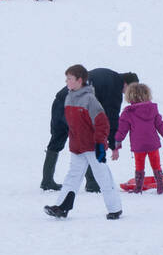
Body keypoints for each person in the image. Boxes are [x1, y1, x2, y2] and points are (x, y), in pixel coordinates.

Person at [45, 64, 123, 220]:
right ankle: (62, 207)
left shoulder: (90, 99)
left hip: (93, 147)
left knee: (103, 178)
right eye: (66, 78)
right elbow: (72, 125)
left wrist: (101, 144)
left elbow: (103, 124)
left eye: (70, 79)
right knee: (72, 177)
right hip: (77, 148)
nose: (66, 81)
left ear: (80, 80)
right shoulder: (68, 98)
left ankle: (115, 209)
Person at [114, 82, 163, 194]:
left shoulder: (128, 112)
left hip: (138, 145)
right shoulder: (152, 109)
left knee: (139, 165)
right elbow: (160, 124)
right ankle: (160, 187)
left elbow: (122, 129)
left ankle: (138, 188)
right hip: (153, 143)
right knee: (156, 164)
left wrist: (118, 140)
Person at [40, 86, 68, 190]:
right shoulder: (111, 86)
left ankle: (47, 181)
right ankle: (92, 183)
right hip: (72, 103)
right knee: (85, 143)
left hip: (59, 102)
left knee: (56, 140)